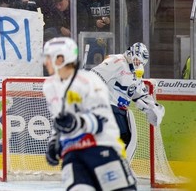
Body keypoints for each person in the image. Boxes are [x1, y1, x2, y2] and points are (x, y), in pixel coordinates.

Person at [42, 37, 137, 191]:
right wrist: (54, 142)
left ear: (60, 59)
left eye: (48, 57)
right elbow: (59, 120)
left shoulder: (90, 81)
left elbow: (102, 121)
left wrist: (76, 123)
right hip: (73, 154)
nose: (45, 62)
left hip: (102, 148)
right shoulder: (50, 86)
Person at [91, 42, 165, 159]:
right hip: (108, 106)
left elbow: (137, 94)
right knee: (125, 136)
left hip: (120, 110)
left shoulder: (136, 72)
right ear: (131, 53)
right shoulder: (117, 61)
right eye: (136, 59)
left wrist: (152, 107)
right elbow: (95, 75)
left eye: (140, 62)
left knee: (126, 138)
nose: (137, 63)